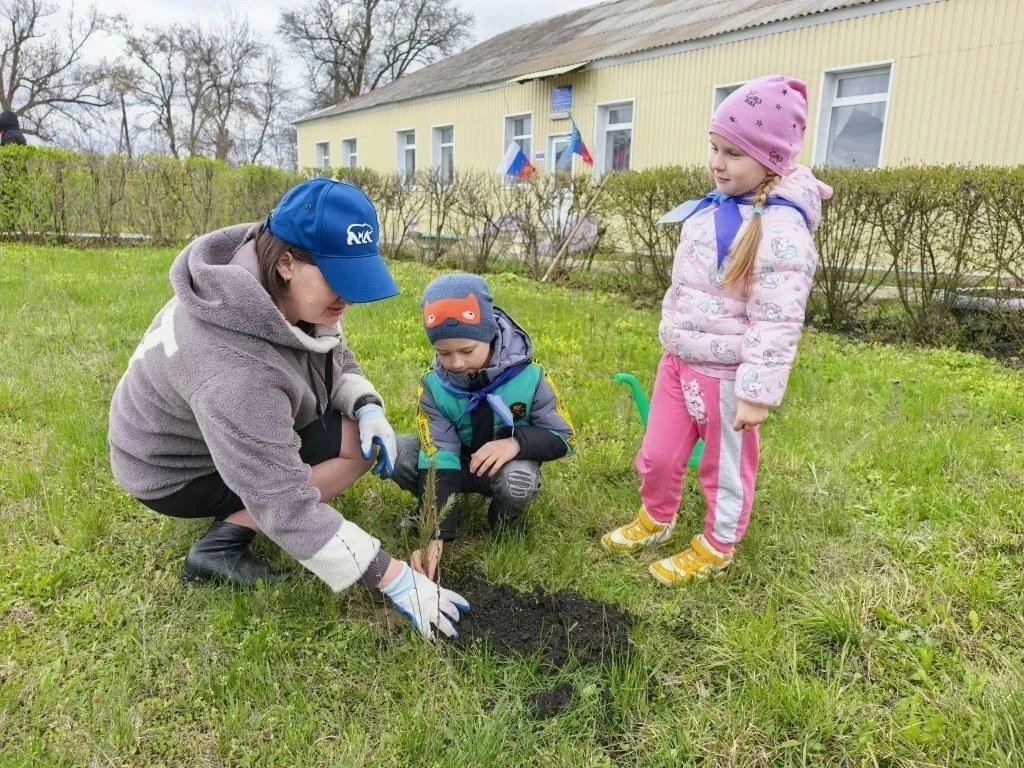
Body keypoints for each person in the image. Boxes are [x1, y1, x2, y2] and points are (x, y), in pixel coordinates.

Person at [108, 177, 469, 641]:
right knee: (277, 491)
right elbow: (286, 502)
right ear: (286, 264)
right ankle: (219, 546)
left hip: (227, 422)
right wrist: (395, 577)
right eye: (339, 281)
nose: (350, 297)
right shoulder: (235, 374)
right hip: (171, 469)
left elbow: (329, 349)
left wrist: (366, 406)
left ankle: (243, 507)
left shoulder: (261, 278)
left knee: (359, 446)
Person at [601, 75, 833, 584]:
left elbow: (778, 319)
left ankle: (716, 545)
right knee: (657, 454)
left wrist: (757, 393)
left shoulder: (782, 229)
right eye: (714, 147)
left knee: (724, 470)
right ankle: (656, 516)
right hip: (679, 361)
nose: (717, 161)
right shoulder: (713, 208)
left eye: (733, 152)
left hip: (727, 375)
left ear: (771, 159)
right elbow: (687, 284)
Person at [389, 273, 575, 580]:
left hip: (505, 466)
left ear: (490, 335)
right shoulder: (435, 387)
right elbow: (439, 454)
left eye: (466, 351)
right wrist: (435, 532)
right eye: (444, 353)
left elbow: (563, 436)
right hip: (458, 466)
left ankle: (504, 520)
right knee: (397, 452)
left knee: (518, 480)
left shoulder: (531, 377)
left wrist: (515, 443)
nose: (457, 363)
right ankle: (432, 510)